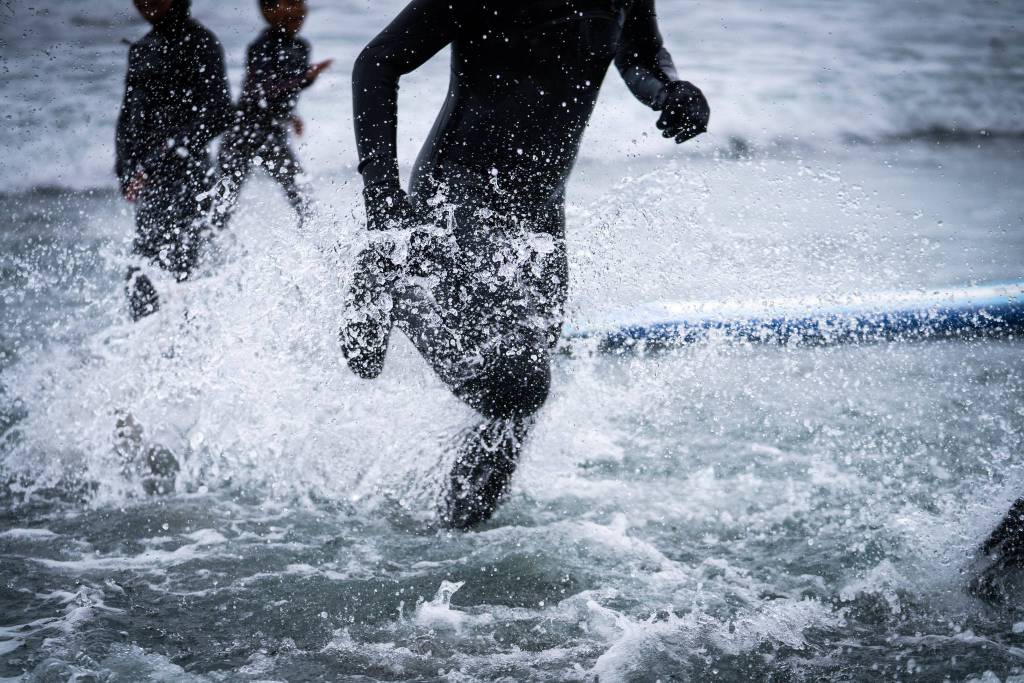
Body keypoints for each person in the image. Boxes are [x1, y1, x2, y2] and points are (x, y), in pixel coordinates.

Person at [341, 0, 710, 529]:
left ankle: (461, 532)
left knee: (522, 399)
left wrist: (672, 91)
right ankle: (395, 280)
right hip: (458, 194)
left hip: (539, 212)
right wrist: (381, 194)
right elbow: (377, 61)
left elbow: (641, 56)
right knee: (518, 382)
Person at [116, 0, 233, 320]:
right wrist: (125, 170)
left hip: (190, 178)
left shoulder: (201, 42)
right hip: (152, 183)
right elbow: (128, 119)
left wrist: (157, 160)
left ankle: (190, 354)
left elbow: (220, 113)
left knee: (183, 273)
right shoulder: (141, 49)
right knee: (140, 273)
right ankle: (147, 350)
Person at [214, 0, 332, 230]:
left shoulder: (301, 47)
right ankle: (207, 249)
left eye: (300, 3)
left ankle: (316, 244)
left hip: (273, 134)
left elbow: (281, 91)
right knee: (223, 202)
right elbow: (259, 90)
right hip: (242, 134)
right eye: (289, 3)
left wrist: (290, 115)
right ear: (267, 11)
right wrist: (305, 78)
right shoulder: (261, 46)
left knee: (300, 194)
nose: (299, 9)